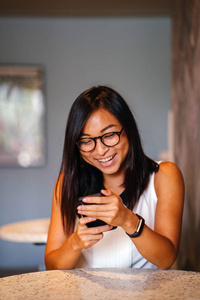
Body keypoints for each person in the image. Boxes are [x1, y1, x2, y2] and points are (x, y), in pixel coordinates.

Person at [45, 85, 184, 270]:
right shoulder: (67, 183)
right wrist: (75, 243)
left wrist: (128, 220)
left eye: (109, 135)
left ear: (128, 129)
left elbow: (167, 259)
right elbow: (52, 267)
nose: (101, 150)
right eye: (87, 141)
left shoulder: (164, 175)